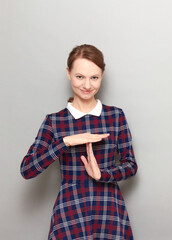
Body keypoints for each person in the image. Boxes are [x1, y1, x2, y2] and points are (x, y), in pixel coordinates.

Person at [20, 44, 138, 240]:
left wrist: (103, 174)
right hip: (70, 211)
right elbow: (27, 170)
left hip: (109, 210)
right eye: (80, 76)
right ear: (68, 73)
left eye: (94, 77)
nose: (87, 85)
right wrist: (65, 142)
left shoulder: (115, 116)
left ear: (102, 75)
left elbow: (131, 166)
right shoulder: (54, 122)